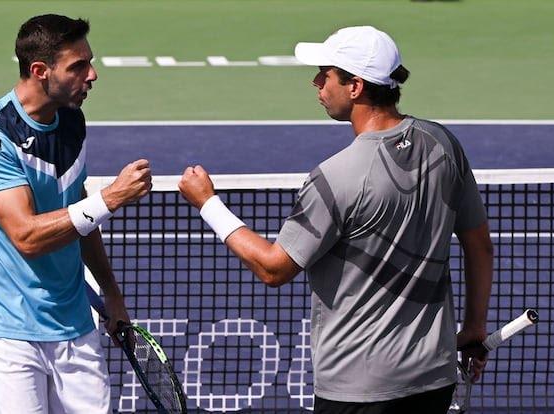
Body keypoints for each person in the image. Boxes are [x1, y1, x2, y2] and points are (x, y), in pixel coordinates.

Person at [178, 26, 493, 414]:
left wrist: (207, 203)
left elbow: (273, 268)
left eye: (325, 74)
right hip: (433, 380)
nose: (316, 82)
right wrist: (475, 325)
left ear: (355, 87)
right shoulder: (444, 145)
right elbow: (479, 244)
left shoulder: (337, 176)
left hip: (356, 390)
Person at [0, 14, 151, 413]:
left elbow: (79, 214)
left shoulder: (72, 122)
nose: (92, 74)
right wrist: (110, 198)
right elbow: (26, 237)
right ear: (40, 71)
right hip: (8, 331)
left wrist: (111, 293)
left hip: (74, 323)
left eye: (89, 61)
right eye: (78, 66)